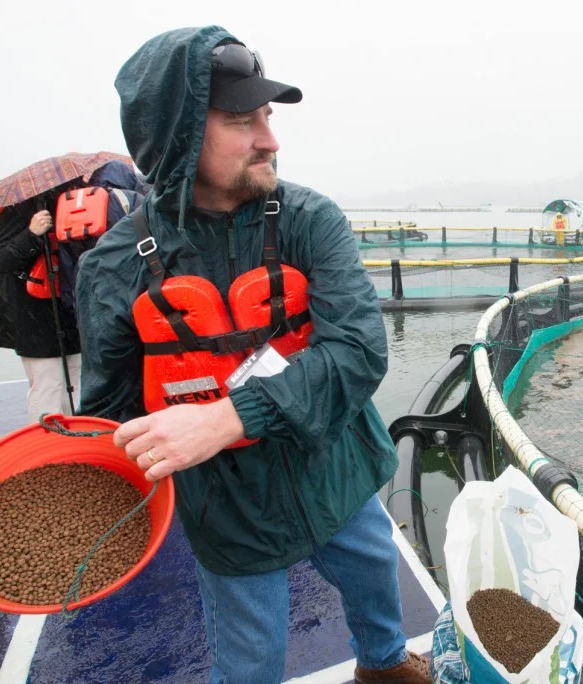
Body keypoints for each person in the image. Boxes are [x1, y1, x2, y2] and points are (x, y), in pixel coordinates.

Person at [76, 26, 430, 684]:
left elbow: (357, 351)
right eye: (242, 120)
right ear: (177, 136)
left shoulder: (310, 219)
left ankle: (384, 668)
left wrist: (220, 419)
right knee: (251, 656)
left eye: (266, 116)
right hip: (228, 507)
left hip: (335, 467)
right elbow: (108, 416)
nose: (270, 138)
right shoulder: (113, 268)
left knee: (375, 574)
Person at [0, 169, 140, 423]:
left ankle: (79, 443)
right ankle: (46, 450)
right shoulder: (19, 208)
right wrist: (32, 233)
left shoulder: (84, 199)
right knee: (49, 387)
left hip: (72, 310)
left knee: (81, 381)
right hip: (34, 318)